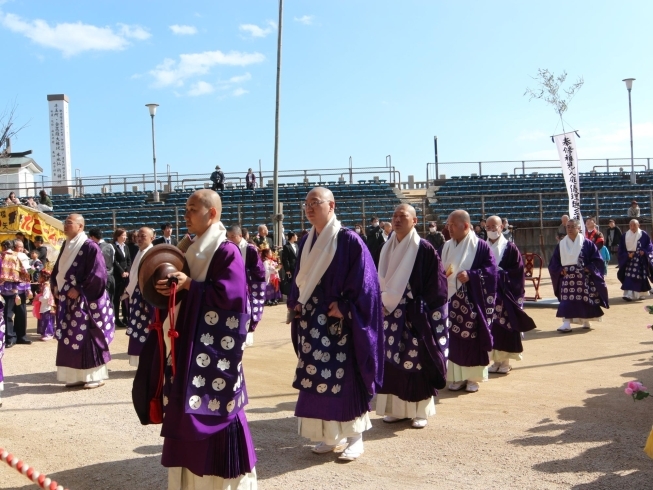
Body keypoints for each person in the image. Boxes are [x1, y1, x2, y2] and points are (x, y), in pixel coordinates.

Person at [154, 189, 257, 488]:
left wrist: (191, 286)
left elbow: (232, 299)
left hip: (212, 347)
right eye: (185, 208)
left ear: (212, 213)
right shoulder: (190, 248)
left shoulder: (226, 251)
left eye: (192, 208)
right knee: (185, 406)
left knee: (214, 404)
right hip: (187, 341)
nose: (186, 214)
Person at [286, 187, 383, 461]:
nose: (309, 207)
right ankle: (330, 436)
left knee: (346, 379)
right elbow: (298, 281)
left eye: (315, 202)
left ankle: (355, 437)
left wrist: (346, 307)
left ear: (332, 205)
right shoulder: (306, 241)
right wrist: (295, 302)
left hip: (340, 325)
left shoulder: (350, 240)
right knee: (316, 379)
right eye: (306, 203)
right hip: (312, 322)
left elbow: (368, 285)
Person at [375, 204, 449, 429]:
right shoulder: (386, 247)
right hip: (389, 314)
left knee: (416, 361)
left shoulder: (424, 248)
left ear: (415, 221)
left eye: (403, 216)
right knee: (392, 361)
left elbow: (438, 285)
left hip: (415, 315)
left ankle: (420, 411)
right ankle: (397, 410)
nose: (397, 219)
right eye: (394, 216)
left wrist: (420, 308)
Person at [51, 214, 115, 388]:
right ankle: (74, 375)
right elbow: (58, 270)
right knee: (69, 334)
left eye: (69, 223)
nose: (65, 226)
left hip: (85, 301)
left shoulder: (90, 247)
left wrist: (79, 288)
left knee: (87, 335)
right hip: (67, 299)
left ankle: (94, 376)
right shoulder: (66, 245)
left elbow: (98, 274)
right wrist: (56, 286)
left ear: (80, 226)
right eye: (65, 223)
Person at [441, 210, 497, 393]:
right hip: (450, 300)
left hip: (472, 301)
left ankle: (473, 378)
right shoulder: (447, 246)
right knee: (453, 340)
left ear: (465, 226)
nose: (448, 228)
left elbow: (491, 272)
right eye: (448, 225)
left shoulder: (480, 246)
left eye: (452, 225)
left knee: (472, 338)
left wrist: (472, 275)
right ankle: (456, 377)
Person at [485, 216, 536, 374]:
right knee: (490, 328)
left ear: (502, 227)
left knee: (505, 327)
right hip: (487, 295)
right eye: (488, 227)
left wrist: (499, 275)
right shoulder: (481, 246)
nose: (491, 229)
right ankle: (495, 361)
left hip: (505, 295)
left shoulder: (510, 248)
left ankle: (505, 362)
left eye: (494, 226)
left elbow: (517, 272)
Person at [549, 218, 608, 332]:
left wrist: (589, 268)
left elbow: (597, 260)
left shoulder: (587, 243)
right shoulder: (561, 244)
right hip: (567, 278)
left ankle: (586, 320)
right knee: (566, 300)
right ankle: (566, 323)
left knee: (586, 299)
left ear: (578, 228)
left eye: (572, 227)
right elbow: (554, 262)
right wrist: (560, 270)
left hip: (583, 277)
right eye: (568, 227)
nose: (570, 229)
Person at [226, 224, 266, 342]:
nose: (230, 239)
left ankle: (250, 330)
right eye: (228, 237)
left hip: (249, 283)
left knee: (251, 307)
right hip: (234, 282)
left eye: (233, 236)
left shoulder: (250, 249)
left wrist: (244, 272)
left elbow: (259, 269)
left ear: (240, 235)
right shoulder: (227, 248)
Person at [125, 227, 156, 367]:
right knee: (138, 329)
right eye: (138, 236)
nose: (139, 238)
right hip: (135, 296)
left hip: (146, 299)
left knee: (146, 329)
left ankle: (148, 361)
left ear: (152, 237)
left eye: (143, 236)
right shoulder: (140, 252)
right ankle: (141, 361)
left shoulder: (153, 253)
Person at [0, 240, 31, 348]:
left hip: (21, 288)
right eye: (19, 247)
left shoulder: (22, 256)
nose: (21, 248)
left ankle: (21, 336)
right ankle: (10, 337)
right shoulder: (3, 256)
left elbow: (27, 272)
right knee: (8, 314)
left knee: (21, 313)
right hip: (7, 290)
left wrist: (28, 288)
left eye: (22, 247)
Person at [618, 219, 653, 301]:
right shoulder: (625, 235)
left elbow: (649, 246)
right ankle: (628, 294)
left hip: (640, 260)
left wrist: (644, 251)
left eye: (634, 225)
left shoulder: (643, 234)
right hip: (629, 259)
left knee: (640, 277)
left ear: (639, 225)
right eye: (631, 225)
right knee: (629, 276)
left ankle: (640, 293)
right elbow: (621, 248)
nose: (632, 227)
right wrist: (627, 255)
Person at [89, 228, 116, 305]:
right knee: (110, 301)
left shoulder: (94, 248)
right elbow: (113, 260)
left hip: (100, 278)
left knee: (102, 303)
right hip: (110, 276)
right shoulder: (110, 246)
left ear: (92, 237)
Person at [112, 228, 131, 327]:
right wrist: (121, 272)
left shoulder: (126, 247)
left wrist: (127, 271)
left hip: (126, 276)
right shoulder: (113, 246)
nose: (125, 237)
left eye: (125, 235)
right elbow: (114, 261)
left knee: (125, 297)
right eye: (123, 235)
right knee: (116, 298)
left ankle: (125, 317)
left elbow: (128, 260)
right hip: (117, 276)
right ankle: (116, 318)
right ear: (117, 236)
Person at [35, 270, 55, 341]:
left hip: (47, 306)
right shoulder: (45, 285)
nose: (39, 277)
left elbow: (46, 297)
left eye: (40, 276)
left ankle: (49, 333)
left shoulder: (46, 286)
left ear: (43, 277)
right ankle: (45, 333)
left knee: (47, 320)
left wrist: (38, 298)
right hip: (45, 306)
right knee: (44, 319)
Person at [282, 231, 299, 295]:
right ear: (292, 237)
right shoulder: (286, 246)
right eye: (295, 236)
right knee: (291, 282)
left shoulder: (296, 245)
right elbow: (285, 259)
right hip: (291, 267)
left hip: (297, 266)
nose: (297, 237)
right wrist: (287, 269)